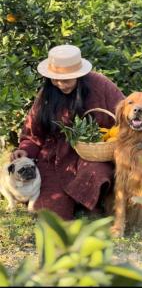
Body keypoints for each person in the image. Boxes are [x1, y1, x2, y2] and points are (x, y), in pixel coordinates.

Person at [11, 44, 124, 220]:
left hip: (92, 154)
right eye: (55, 79)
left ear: (79, 75)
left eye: (66, 80)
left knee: (97, 173)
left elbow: (125, 113)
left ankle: (89, 202)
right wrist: (26, 149)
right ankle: (72, 199)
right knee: (50, 211)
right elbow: (33, 131)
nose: (60, 84)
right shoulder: (48, 92)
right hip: (56, 157)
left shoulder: (101, 85)